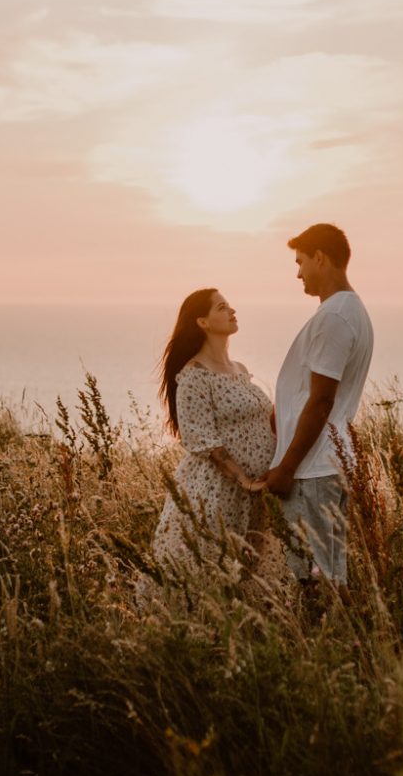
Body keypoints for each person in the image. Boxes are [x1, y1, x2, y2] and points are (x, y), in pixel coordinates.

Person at [258, 223, 373, 588]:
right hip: (322, 464)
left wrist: (287, 467)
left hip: (313, 469)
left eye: (301, 261)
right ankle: (328, 639)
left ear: (320, 258)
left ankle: (332, 641)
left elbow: (322, 400)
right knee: (322, 573)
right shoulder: (345, 311)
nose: (298, 272)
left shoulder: (335, 318)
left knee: (316, 578)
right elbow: (316, 393)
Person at [150, 288, 277, 575]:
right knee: (214, 569)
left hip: (257, 492)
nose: (232, 311)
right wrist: (244, 480)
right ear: (202, 322)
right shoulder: (194, 375)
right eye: (221, 307)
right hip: (218, 493)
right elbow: (202, 440)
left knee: (248, 572)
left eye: (230, 306)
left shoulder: (240, 369)